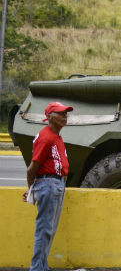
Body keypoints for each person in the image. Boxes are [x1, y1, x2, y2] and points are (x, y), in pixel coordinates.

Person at [22, 101, 73, 271]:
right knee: (44, 231)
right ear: (49, 117)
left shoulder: (56, 136)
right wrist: (31, 189)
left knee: (48, 231)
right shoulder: (46, 138)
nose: (65, 116)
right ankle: (37, 268)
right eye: (60, 113)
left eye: (66, 113)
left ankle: (42, 266)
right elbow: (32, 169)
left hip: (55, 185)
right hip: (49, 185)